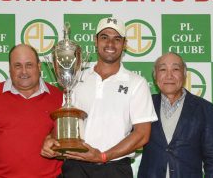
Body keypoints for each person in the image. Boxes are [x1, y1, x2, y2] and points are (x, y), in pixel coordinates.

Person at [41, 17, 158, 178]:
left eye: (117, 39)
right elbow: (66, 122)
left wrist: (102, 156)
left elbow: (142, 135)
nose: (110, 44)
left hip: (115, 169)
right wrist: (51, 140)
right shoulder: (76, 77)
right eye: (104, 37)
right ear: (95, 41)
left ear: (124, 44)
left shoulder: (136, 83)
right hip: (75, 167)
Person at [0, 44, 63, 178]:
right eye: (17, 66)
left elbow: (68, 141)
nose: (24, 71)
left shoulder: (59, 97)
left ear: (39, 67)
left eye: (29, 65)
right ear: (10, 69)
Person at [138, 52, 213, 178]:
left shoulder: (204, 109)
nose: (169, 76)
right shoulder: (143, 105)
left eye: (175, 69)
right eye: (163, 69)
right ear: (155, 77)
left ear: (184, 75)